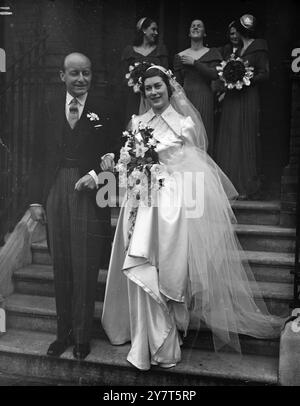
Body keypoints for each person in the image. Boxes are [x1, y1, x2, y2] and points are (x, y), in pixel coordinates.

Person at [101, 65, 283, 371]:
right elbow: (126, 162)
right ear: (143, 92)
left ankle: (167, 336)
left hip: (172, 206)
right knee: (142, 264)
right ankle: (142, 335)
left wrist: (168, 180)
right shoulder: (136, 122)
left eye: (158, 86)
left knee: (170, 270)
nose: (154, 92)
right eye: (148, 88)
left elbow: (195, 167)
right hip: (141, 203)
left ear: (169, 88)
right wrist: (128, 167)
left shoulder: (184, 124)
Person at [28, 52, 115, 360]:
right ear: (61, 76)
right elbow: (37, 156)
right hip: (55, 189)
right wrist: (37, 199)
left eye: (86, 73)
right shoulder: (49, 107)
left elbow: (119, 153)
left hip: (89, 192)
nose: (81, 79)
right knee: (61, 263)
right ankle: (62, 334)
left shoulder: (104, 107)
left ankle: (82, 336)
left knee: (85, 264)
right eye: (74, 73)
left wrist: (97, 175)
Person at [215, 15, 269, 199]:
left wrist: (245, 77)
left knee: (246, 136)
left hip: (248, 97)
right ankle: (229, 187)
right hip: (232, 98)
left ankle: (246, 186)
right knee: (230, 137)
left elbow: (265, 74)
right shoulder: (234, 51)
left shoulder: (259, 45)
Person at [173, 19, 222, 157]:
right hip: (186, 98)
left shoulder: (212, 53)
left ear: (204, 33)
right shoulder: (180, 56)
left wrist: (195, 63)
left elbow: (214, 75)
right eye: (192, 25)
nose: (195, 27)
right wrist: (180, 101)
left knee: (204, 132)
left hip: (204, 97)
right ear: (189, 32)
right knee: (186, 134)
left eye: (199, 26)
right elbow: (176, 83)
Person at [121, 17, 168, 126]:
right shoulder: (129, 51)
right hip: (134, 97)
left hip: (154, 96)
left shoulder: (160, 50)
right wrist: (135, 82)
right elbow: (122, 76)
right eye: (153, 29)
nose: (156, 33)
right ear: (144, 30)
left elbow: (165, 75)